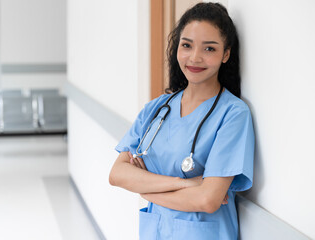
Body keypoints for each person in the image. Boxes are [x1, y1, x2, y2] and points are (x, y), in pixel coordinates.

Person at [109, 2, 254, 240]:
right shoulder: (157, 108)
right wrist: (186, 184)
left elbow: (208, 200)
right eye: (187, 45)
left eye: (209, 49)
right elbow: (117, 174)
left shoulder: (233, 114)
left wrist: (145, 188)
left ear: (226, 54)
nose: (195, 58)